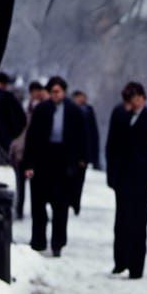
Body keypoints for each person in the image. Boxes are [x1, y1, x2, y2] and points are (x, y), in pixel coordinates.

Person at [104, 81, 147, 279]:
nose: (131, 104)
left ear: (142, 97)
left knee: (139, 223)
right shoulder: (119, 114)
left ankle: (136, 267)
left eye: (134, 99)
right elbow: (112, 145)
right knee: (121, 220)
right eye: (128, 100)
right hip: (123, 177)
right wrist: (112, 175)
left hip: (143, 178)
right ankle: (120, 261)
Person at [22, 76, 87, 256]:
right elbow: (32, 138)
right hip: (44, 159)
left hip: (64, 162)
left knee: (60, 206)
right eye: (52, 92)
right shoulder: (42, 109)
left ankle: (58, 242)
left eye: (58, 91)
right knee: (39, 203)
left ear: (64, 92)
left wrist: (81, 160)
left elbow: (82, 137)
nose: (55, 95)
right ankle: (38, 240)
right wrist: (29, 163)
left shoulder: (74, 111)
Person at [9, 81, 47, 219]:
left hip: (33, 153)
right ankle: (19, 208)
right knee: (21, 183)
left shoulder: (43, 109)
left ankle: (34, 209)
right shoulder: (25, 108)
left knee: (35, 184)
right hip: (21, 151)